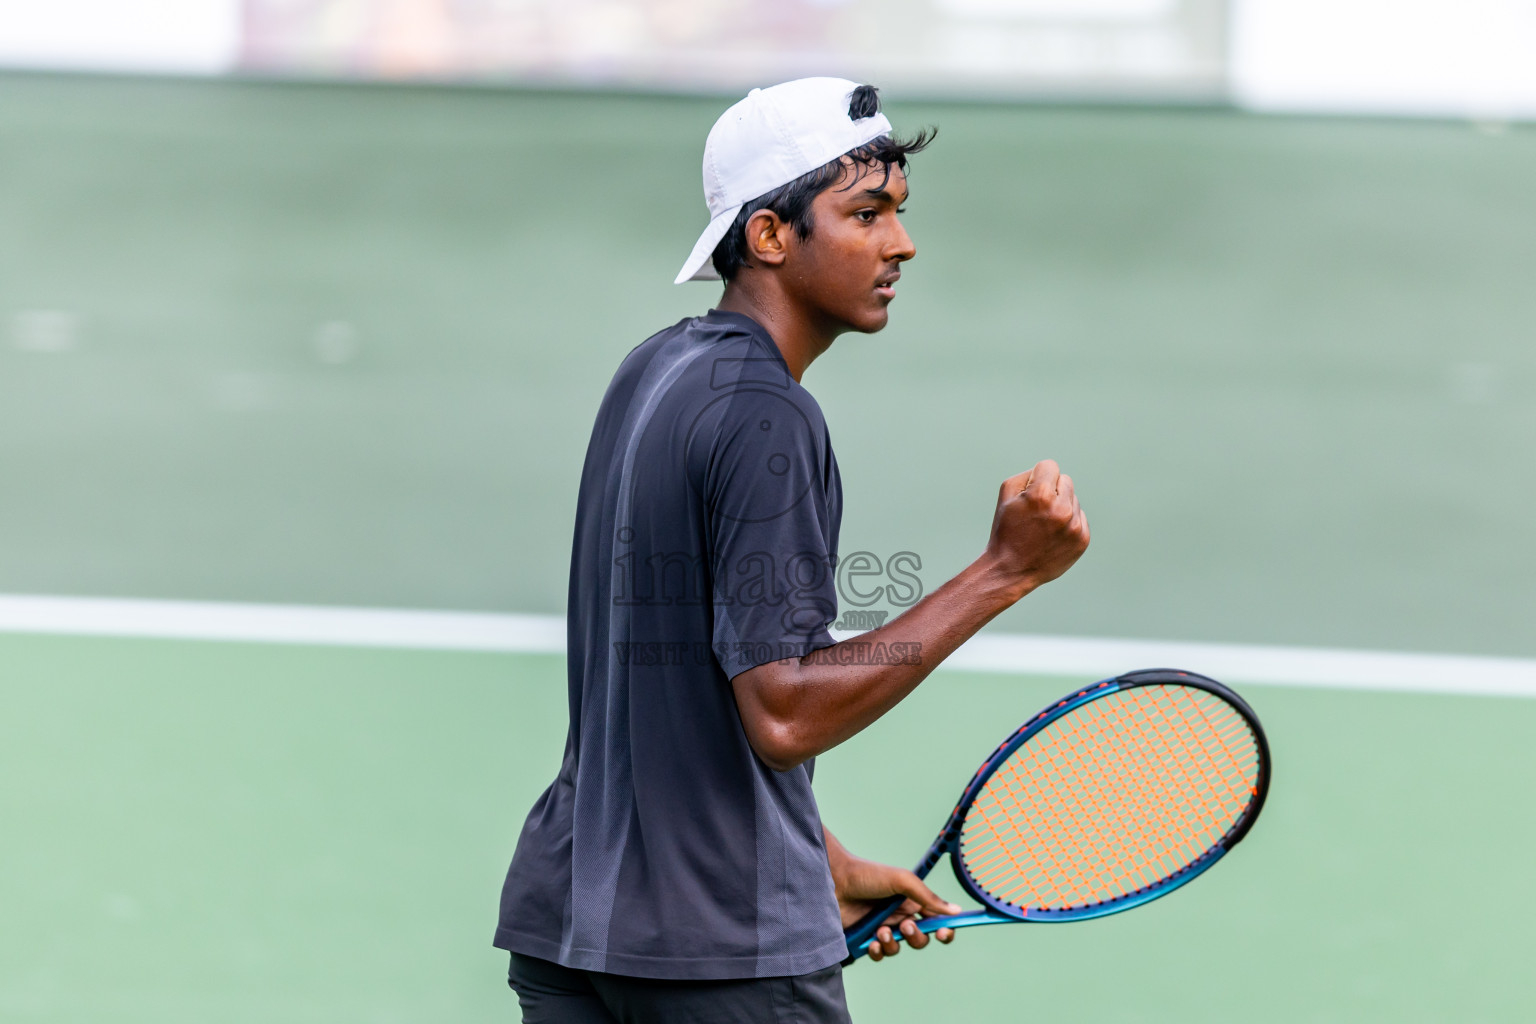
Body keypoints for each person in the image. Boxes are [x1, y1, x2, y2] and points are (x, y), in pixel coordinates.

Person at [495, 77, 1090, 1023]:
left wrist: (824, 861)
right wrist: (1002, 574)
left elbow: (677, 688)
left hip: (576, 928)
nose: (900, 243)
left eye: (897, 212)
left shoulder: (656, 366)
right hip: (722, 957)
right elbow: (783, 712)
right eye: (866, 214)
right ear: (770, 236)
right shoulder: (768, 415)